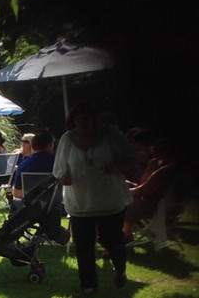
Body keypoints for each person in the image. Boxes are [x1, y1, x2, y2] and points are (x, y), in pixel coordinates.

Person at [53, 102, 135, 295]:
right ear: (72, 121)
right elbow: (58, 169)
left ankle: (120, 270)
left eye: (86, 118)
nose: (82, 122)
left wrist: (115, 167)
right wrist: (63, 178)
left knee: (111, 239)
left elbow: (131, 157)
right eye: (78, 119)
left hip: (109, 200)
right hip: (80, 203)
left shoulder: (111, 135)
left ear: (94, 119)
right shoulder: (67, 138)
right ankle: (88, 285)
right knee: (83, 245)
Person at [123, 139, 177, 243]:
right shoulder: (156, 164)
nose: (151, 153)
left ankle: (126, 235)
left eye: (155, 151)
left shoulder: (165, 170)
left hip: (154, 207)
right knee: (122, 189)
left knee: (124, 204)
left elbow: (143, 190)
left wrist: (121, 193)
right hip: (146, 199)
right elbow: (143, 183)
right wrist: (151, 167)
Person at [13, 133, 55, 199]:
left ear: (33, 146)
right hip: (53, 202)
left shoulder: (23, 165)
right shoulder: (57, 163)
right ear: (49, 145)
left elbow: (16, 193)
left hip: (31, 205)